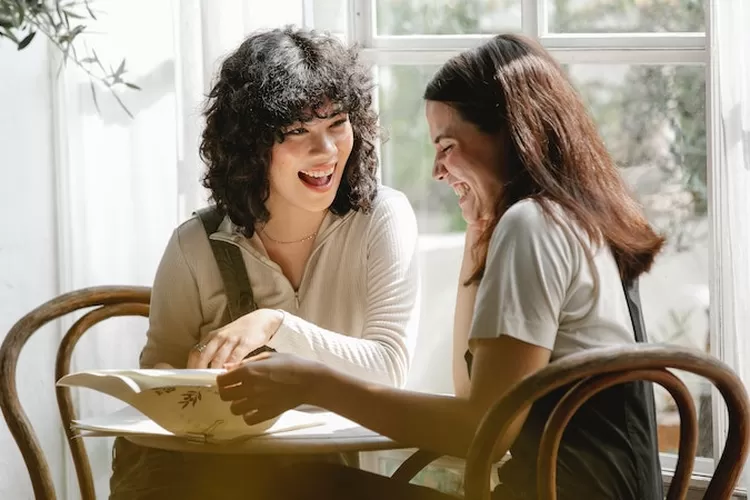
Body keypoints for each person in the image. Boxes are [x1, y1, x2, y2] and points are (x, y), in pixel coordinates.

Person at [216, 33, 666, 499]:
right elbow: (471, 390)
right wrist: (478, 234)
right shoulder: (569, 218)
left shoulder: (532, 225)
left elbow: (481, 434)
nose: (436, 169)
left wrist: (314, 382)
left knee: (291, 487)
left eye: (447, 145)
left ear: (511, 134)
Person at [108, 26, 420, 500]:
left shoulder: (381, 218)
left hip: (320, 478)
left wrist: (275, 325)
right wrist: (191, 383)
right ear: (251, 146)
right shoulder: (196, 244)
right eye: (297, 131)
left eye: (337, 122)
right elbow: (156, 397)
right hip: (211, 480)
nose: (327, 151)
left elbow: (389, 369)